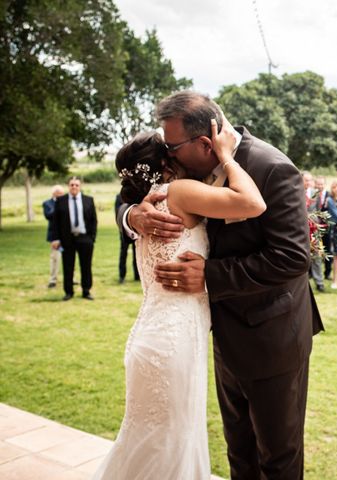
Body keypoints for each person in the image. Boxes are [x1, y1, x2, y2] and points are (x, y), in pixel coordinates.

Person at [119, 91, 323, 479]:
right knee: (239, 454)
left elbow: (293, 257)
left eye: (172, 146)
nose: (167, 155)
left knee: (277, 457)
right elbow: (133, 187)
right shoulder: (185, 171)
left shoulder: (271, 168)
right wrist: (131, 215)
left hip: (272, 338)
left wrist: (209, 276)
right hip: (216, 335)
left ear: (204, 143)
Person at [94, 121, 265, 479]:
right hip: (171, 343)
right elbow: (252, 203)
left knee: (153, 443)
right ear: (167, 162)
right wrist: (226, 156)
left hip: (154, 337)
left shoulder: (149, 201)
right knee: (168, 445)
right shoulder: (178, 192)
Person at [51, 177, 97, 301]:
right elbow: (55, 222)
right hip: (67, 239)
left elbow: (94, 220)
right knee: (68, 266)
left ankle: (86, 291)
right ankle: (68, 292)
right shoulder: (61, 201)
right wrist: (55, 239)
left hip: (85, 238)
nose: (74, 187)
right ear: (68, 186)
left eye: (76, 185)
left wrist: (92, 238)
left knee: (86, 266)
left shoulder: (88, 200)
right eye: (72, 185)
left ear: (80, 186)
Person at [115, 193, 140, 283]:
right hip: (124, 231)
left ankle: (137, 276)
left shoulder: (137, 195)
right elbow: (117, 214)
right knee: (123, 254)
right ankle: (122, 276)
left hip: (136, 231)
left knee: (136, 253)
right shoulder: (118, 197)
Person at [43, 185, 64, 288]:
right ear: (54, 193)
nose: (61, 195)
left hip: (66, 235)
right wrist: (58, 204)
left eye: (62, 193)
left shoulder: (66, 202)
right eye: (59, 193)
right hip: (55, 236)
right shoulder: (48, 203)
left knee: (69, 257)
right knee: (55, 258)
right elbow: (49, 215)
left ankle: (71, 278)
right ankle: (53, 279)